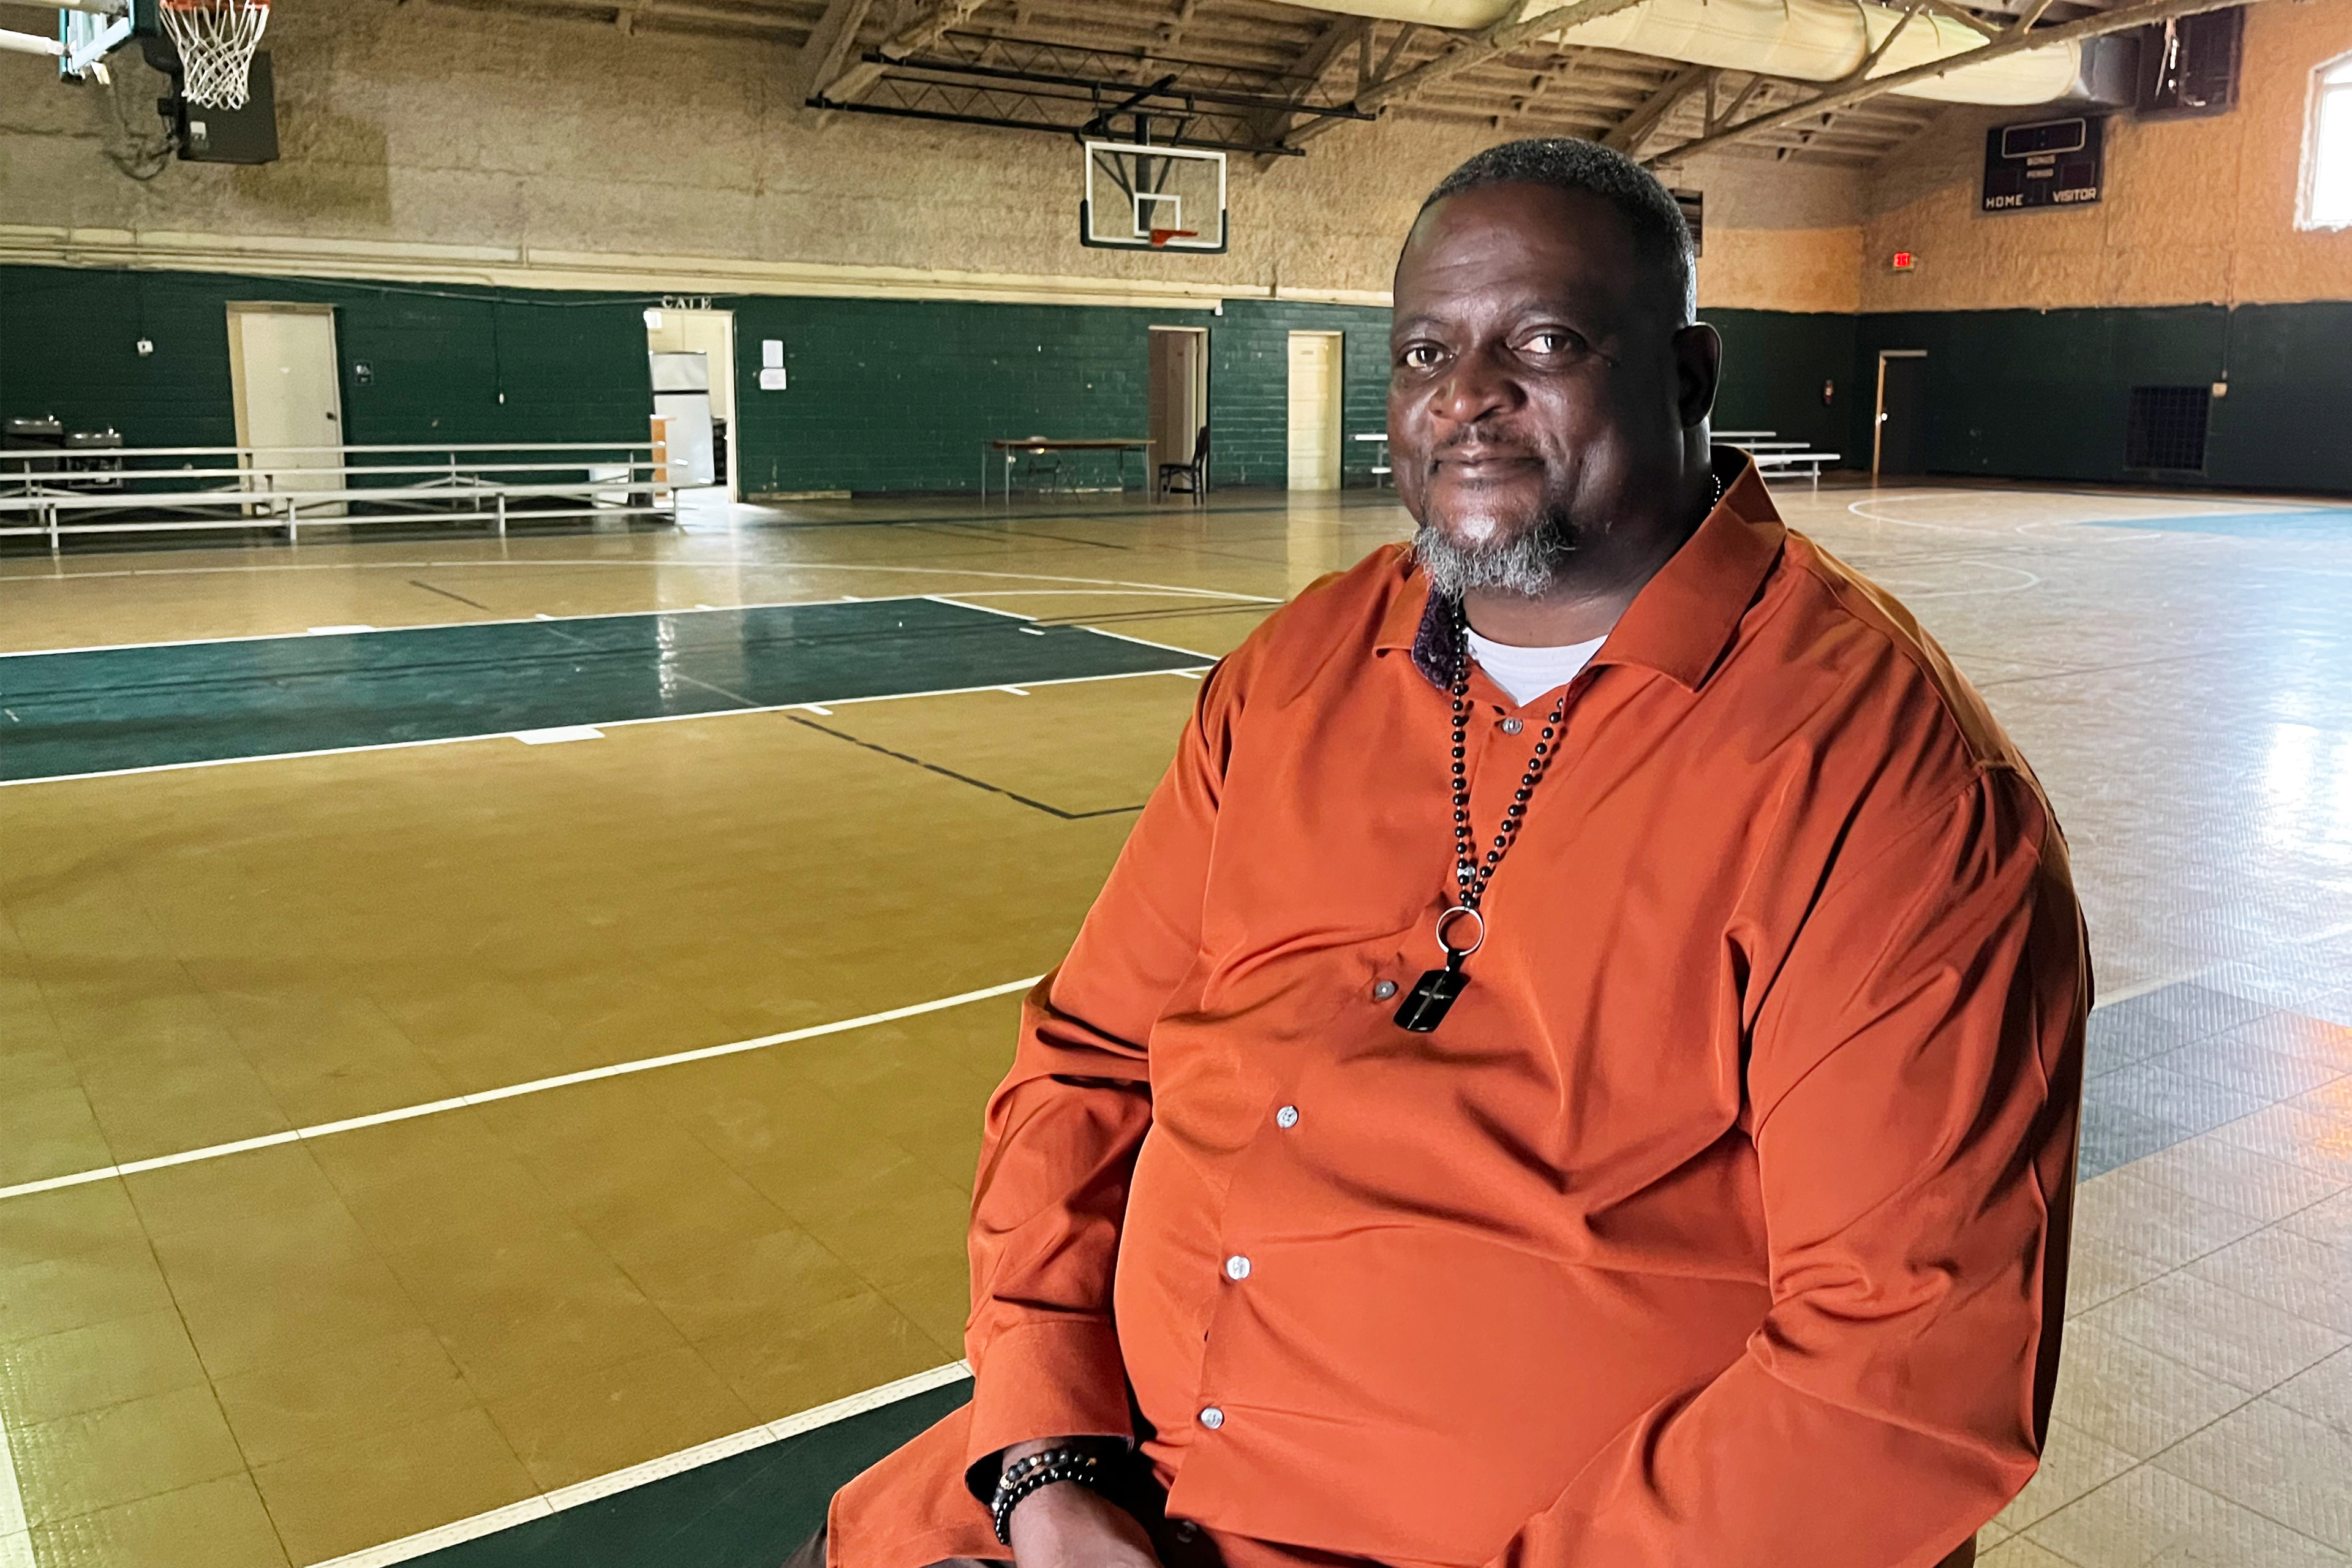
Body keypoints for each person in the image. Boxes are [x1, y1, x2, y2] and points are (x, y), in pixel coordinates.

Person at [801, 137, 2088, 1568]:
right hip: (1109, 1493)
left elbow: (1906, 1382)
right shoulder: (1295, 676)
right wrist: (1048, 1458)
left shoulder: (1880, 781)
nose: (1467, 395)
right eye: (1424, 352)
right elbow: (1090, 1060)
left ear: (1688, 373)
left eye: (1542, 339)